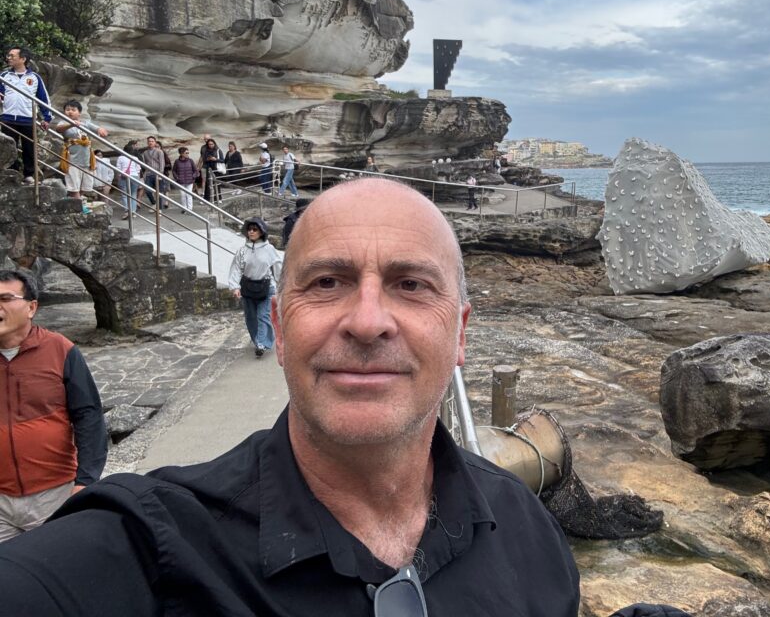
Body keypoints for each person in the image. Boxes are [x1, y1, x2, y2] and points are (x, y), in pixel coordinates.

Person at [0, 179, 581, 616]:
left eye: (412, 284)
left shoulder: (523, 524)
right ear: (279, 328)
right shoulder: (156, 543)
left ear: (461, 333)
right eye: (327, 282)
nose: (368, 321)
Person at [0, 269, 107, 542]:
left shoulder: (60, 350)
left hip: (54, 494)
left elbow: (88, 417)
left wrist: (86, 480)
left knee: (60, 571)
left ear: (31, 307)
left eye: (5, 298)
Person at [227, 216, 281, 358]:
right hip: (248, 287)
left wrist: (281, 285)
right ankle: (257, 340)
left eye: (255, 229)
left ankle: (262, 344)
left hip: (266, 287)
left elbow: (277, 268)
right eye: (249, 229)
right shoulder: (242, 251)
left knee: (263, 316)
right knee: (250, 317)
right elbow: (236, 268)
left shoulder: (269, 249)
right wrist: (235, 287)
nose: (251, 232)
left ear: (261, 232)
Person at [0, 47, 52, 184]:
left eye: (12, 56)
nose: (9, 58)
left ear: (23, 59)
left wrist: (47, 118)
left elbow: (43, 99)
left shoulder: (34, 78)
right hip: (7, 117)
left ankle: (29, 174)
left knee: (29, 148)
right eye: (8, 55)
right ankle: (12, 173)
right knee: (9, 147)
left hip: (27, 118)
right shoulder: (4, 76)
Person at [53, 100, 108, 209]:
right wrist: (71, 124)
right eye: (67, 109)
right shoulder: (64, 123)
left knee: (86, 186)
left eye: (73, 110)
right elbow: (58, 129)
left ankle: (73, 200)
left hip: (87, 161)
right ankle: (80, 207)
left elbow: (97, 128)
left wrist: (101, 130)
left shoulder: (85, 123)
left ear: (79, 112)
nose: (70, 112)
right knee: (74, 186)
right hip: (72, 160)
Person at [139, 135, 168, 209]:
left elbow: (162, 163)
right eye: (149, 141)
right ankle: (154, 203)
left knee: (159, 192)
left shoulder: (159, 151)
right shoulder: (145, 152)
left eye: (152, 141)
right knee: (148, 191)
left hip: (157, 173)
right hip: (149, 173)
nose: (150, 143)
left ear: (155, 142)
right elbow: (145, 163)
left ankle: (160, 209)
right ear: (147, 143)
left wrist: (160, 174)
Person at [171, 146, 201, 213]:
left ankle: (190, 209)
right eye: (186, 153)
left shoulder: (190, 161)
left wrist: (193, 176)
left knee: (189, 194)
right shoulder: (177, 161)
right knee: (183, 195)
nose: (187, 154)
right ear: (181, 154)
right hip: (181, 181)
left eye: (188, 152)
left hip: (189, 181)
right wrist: (177, 177)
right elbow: (174, 171)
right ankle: (184, 208)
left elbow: (196, 171)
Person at [115, 148, 142, 220]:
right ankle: (133, 212)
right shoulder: (135, 158)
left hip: (124, 176)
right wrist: (138, 180)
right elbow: (138, 169)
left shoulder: (120, 158)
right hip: (134, 176)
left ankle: (127, 211)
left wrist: (118, 179)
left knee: (124, 194)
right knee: (133, 194)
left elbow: (118, 169)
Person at [200, 137, 224, 202]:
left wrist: (215, 159)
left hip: (216, 169)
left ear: (214, 144)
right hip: (209, 168)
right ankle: (207, 199)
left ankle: (218, 198)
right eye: (209, 144)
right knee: (208, 184)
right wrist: (208, 159)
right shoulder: (206, 151)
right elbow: (204, 160)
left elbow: (222, 160)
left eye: (212, 144)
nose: (210, 145)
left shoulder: (218, 150)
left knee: (217, 184)